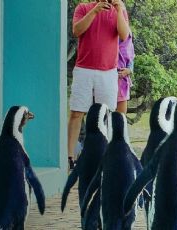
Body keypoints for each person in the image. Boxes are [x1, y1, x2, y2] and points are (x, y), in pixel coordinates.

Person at [68, 0, 130, 169]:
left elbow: (124, 35)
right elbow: (77, 30)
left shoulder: (119, 9)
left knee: (107, 115)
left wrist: (118, 10)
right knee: (76, 113)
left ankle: (106, 155)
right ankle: (69, 157)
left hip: (108, 71)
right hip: (84, 69)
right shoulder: (83, 7)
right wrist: (95, 11)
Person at [116, 5, 135, 114]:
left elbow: (130, 53)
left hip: (122, 76)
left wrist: (129, 69)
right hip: (108, 73)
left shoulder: (128, 34)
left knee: (120, 117)